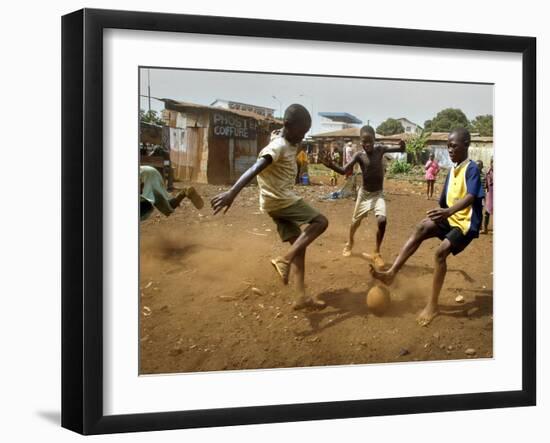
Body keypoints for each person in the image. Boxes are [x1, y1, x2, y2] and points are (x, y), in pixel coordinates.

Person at [211, 104, 328, 310]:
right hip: (282, 200)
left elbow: (282, 138)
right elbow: (255, 168)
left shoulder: (285, 140)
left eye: (305, 134)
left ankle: (301, 296)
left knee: (299, 247)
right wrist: (232, 193)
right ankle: (284, 260)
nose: (302, 138)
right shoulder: (278, 146)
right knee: (321, 222)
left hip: (273, 203)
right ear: (288, 126)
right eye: (301, 133)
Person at [371, 128, 484, 326]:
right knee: (421, 227)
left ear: (466, 144)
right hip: (450, 217)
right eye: (448, 145)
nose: (449, 149)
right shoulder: (452, 170)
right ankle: (391, 273)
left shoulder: (472, 168)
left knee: (440, 253)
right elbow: (444, 200)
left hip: (465, 224)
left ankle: (433, 305)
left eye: (454, 145)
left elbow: (471, 197)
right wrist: (440, 212)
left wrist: (447, 212)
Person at [322, 125, 405, 267]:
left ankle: (376, 252)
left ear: (374, 140)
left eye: (369, 141)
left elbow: (400, 150)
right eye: (363, 141)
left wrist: (402, 145)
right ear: (360, 141)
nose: (366, 144)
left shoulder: (380, 149)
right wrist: (331, 165)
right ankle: (349, 243)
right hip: (364, 195)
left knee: (382, 220)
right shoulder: (359, 155)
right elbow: (343, 171)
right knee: (355, 223)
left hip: (378, 194)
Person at [140, 165, 204, 221]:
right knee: (168, 206)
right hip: (152, 171)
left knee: (143, 209)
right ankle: (184, 192)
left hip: (144, 175)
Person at [482, 157, 493, 234]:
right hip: (490, 194)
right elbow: (486, 184)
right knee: (487, 212)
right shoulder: (488, 172)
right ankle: (485, 229)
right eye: (492, 162)